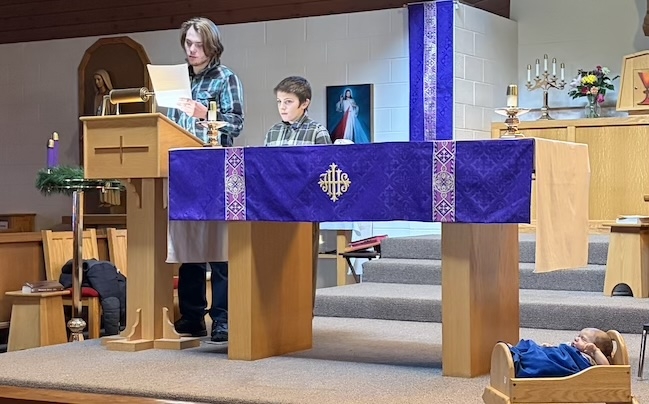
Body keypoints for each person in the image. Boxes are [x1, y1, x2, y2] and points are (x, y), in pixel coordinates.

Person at [166, 16, 244, 343]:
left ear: (212, 47)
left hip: (215, 170)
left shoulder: (225, 78)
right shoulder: (176, 79)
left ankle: (223, 318)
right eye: (188, 43)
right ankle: (192, 317)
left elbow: (235, 124)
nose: (192, 50)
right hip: (182, 168)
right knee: (190, 247)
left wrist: (205, 114)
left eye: (199, 45)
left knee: (219, 247)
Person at [264, 76, 331, 311]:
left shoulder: (317, 132)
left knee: (303, 263)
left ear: (304, 103)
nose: (282, 107)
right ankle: (275, 311)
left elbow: (324, 173)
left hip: (304, 208)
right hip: (275, 208)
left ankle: (303, 313)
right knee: (275, 263)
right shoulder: (273, 132)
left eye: (288, 102)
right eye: (279, 102)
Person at [508, 327, 613, 378]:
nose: (576, 338)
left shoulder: (590, 360)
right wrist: (551, 348)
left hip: (561, 364)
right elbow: (559, 353)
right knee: (533, 347)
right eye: (578, 336)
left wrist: (595, 351)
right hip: (557, 357)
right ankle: (517, 352)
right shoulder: (572, 347)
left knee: (542, 362)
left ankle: (516, 358)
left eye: (583, 339)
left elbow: (607, 369)